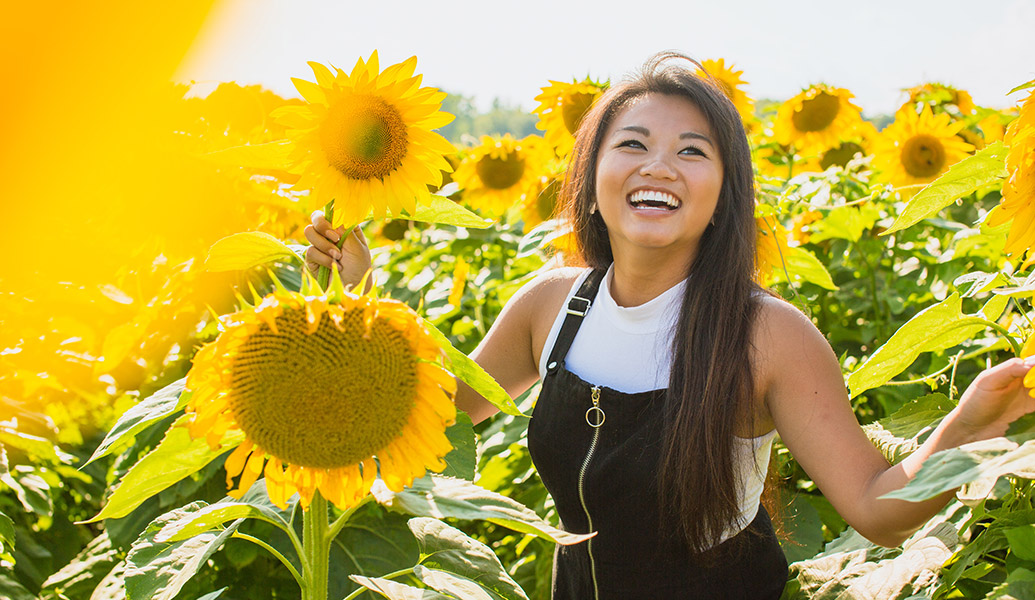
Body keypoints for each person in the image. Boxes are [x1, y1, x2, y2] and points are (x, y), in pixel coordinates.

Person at [304, 52, 1035, 599]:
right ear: (591, 182)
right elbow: (429, 417)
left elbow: (874, 508)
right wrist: (361, 296)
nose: (660, 165)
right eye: (632, 144)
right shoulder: (548, 305)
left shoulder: (767, 336)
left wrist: (964, 429)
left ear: (723, 197)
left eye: (692, 151)